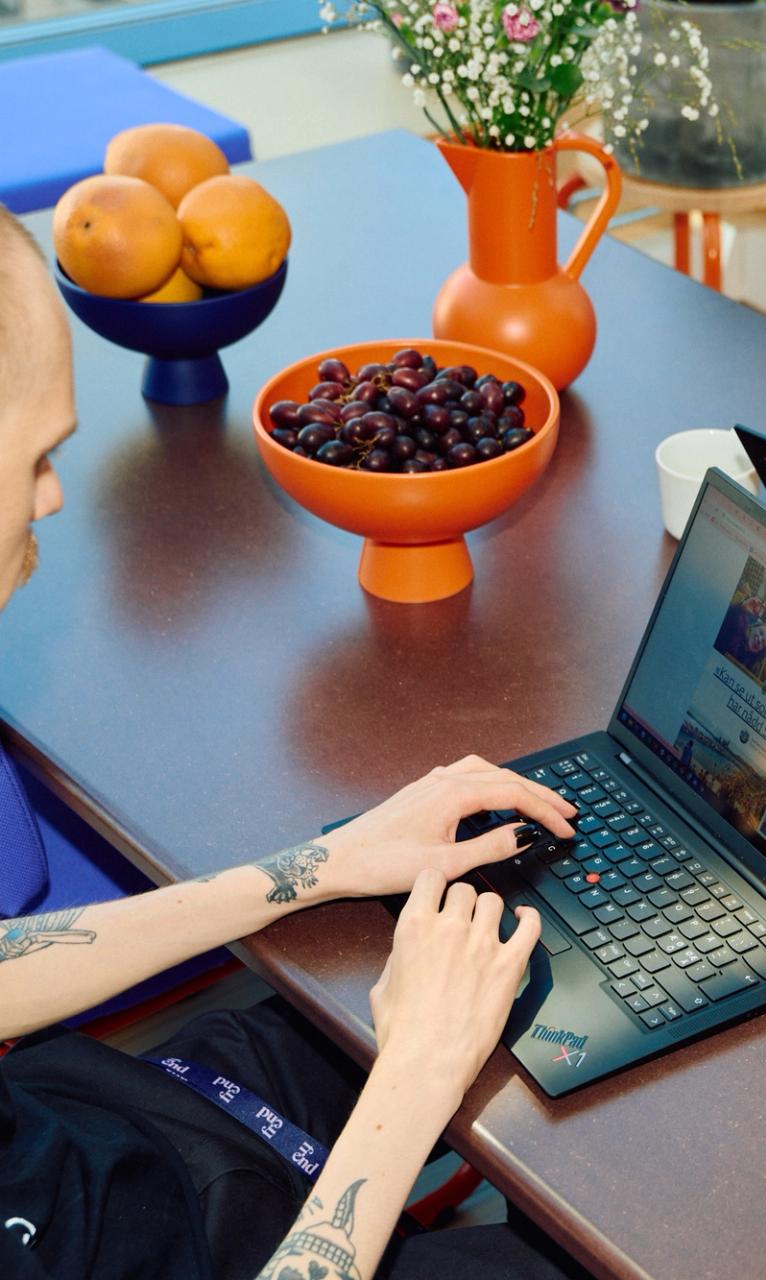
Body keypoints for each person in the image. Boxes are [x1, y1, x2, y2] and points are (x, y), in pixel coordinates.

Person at [0, 206, 587, 1279]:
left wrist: (317, 866)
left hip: (121, 1137)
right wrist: (415, 1074)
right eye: (36, 453)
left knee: (529, 961)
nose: (52, 494)